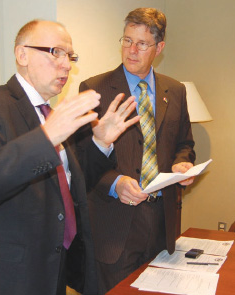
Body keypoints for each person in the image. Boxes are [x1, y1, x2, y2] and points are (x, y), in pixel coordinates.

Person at [0, 20, 139, 295]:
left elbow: (70, 184)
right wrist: (46, 137)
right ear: (22, 55)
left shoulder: (52, 115)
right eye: (55, 52)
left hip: (54, 271)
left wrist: (100, 142)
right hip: (9, 280)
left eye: (70, 56)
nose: (67, 65)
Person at [77, 7, 196, 294]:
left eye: (142, 44)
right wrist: (114, 183)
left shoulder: (175, 90)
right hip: (113, 227)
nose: (131, 50)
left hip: (161, 224)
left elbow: (184, 145)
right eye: (127, 40)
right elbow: (80, 158)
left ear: (159, 47)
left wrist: (182, 164)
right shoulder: (94, 89)